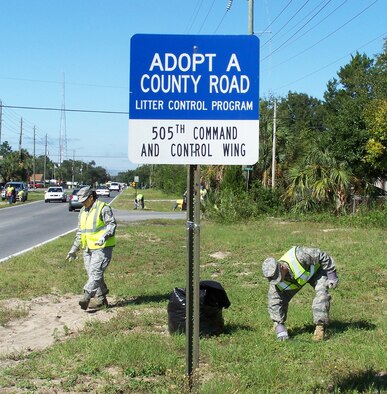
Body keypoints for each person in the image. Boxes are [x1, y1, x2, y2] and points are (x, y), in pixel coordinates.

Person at [262, 246, 339, 341]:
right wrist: (279, 326)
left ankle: (320, 327)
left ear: (281, 267)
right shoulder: (276, 283)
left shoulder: (299, 255)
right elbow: (274, 303)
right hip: (296, 282)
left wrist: (332, 274)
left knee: (322, 295)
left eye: (277, 277)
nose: (277, 281)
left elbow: (322, 255)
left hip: (316, 272)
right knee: (278, 302)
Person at [66, 186, 117, 310]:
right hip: (88, 248)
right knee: (92, 274)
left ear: (91, 197)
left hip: (102, 247)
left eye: (84, 199)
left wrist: (104, 237)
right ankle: (101, 299)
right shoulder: (83, 211)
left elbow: (112, 224)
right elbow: (80, 232)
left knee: (95, 273)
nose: (82, 202)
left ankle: (86, 296)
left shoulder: (103, 208)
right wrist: (73, 249)